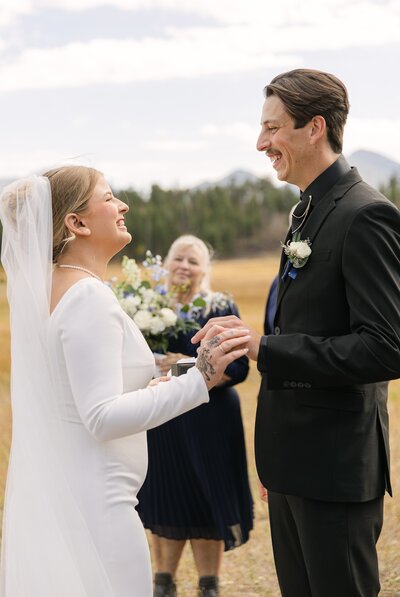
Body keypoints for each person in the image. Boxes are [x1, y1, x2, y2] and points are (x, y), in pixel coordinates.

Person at [192, 69, 400, 597]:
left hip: (334, 466)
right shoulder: (306, 211)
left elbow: (384, 348)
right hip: (293, 462)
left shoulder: (365, 213)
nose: (261, 143)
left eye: (272, 128)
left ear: (315, 127)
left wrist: (265, 347)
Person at [0, 168, 250, 597]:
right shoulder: (86, 297)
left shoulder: (53, 288)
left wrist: (187, 368)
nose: (123, 206)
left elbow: (90, 391)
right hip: (101, 507)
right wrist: (202, 380)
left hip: (75, 495)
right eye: (110, 197)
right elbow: (101, 416)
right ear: (76, 223)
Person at [137, 235, 253, 597]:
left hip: (210, 421)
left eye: (193, 260)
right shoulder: (146, 306)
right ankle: (163, 582)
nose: (185, 266)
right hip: (162, 421)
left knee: (208, 496)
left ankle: (209, 585)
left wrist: (178, 368)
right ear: (166, 263)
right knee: (165, 495)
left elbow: (237, 368)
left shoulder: (218, 306)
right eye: (178, 259)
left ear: (205, 269)